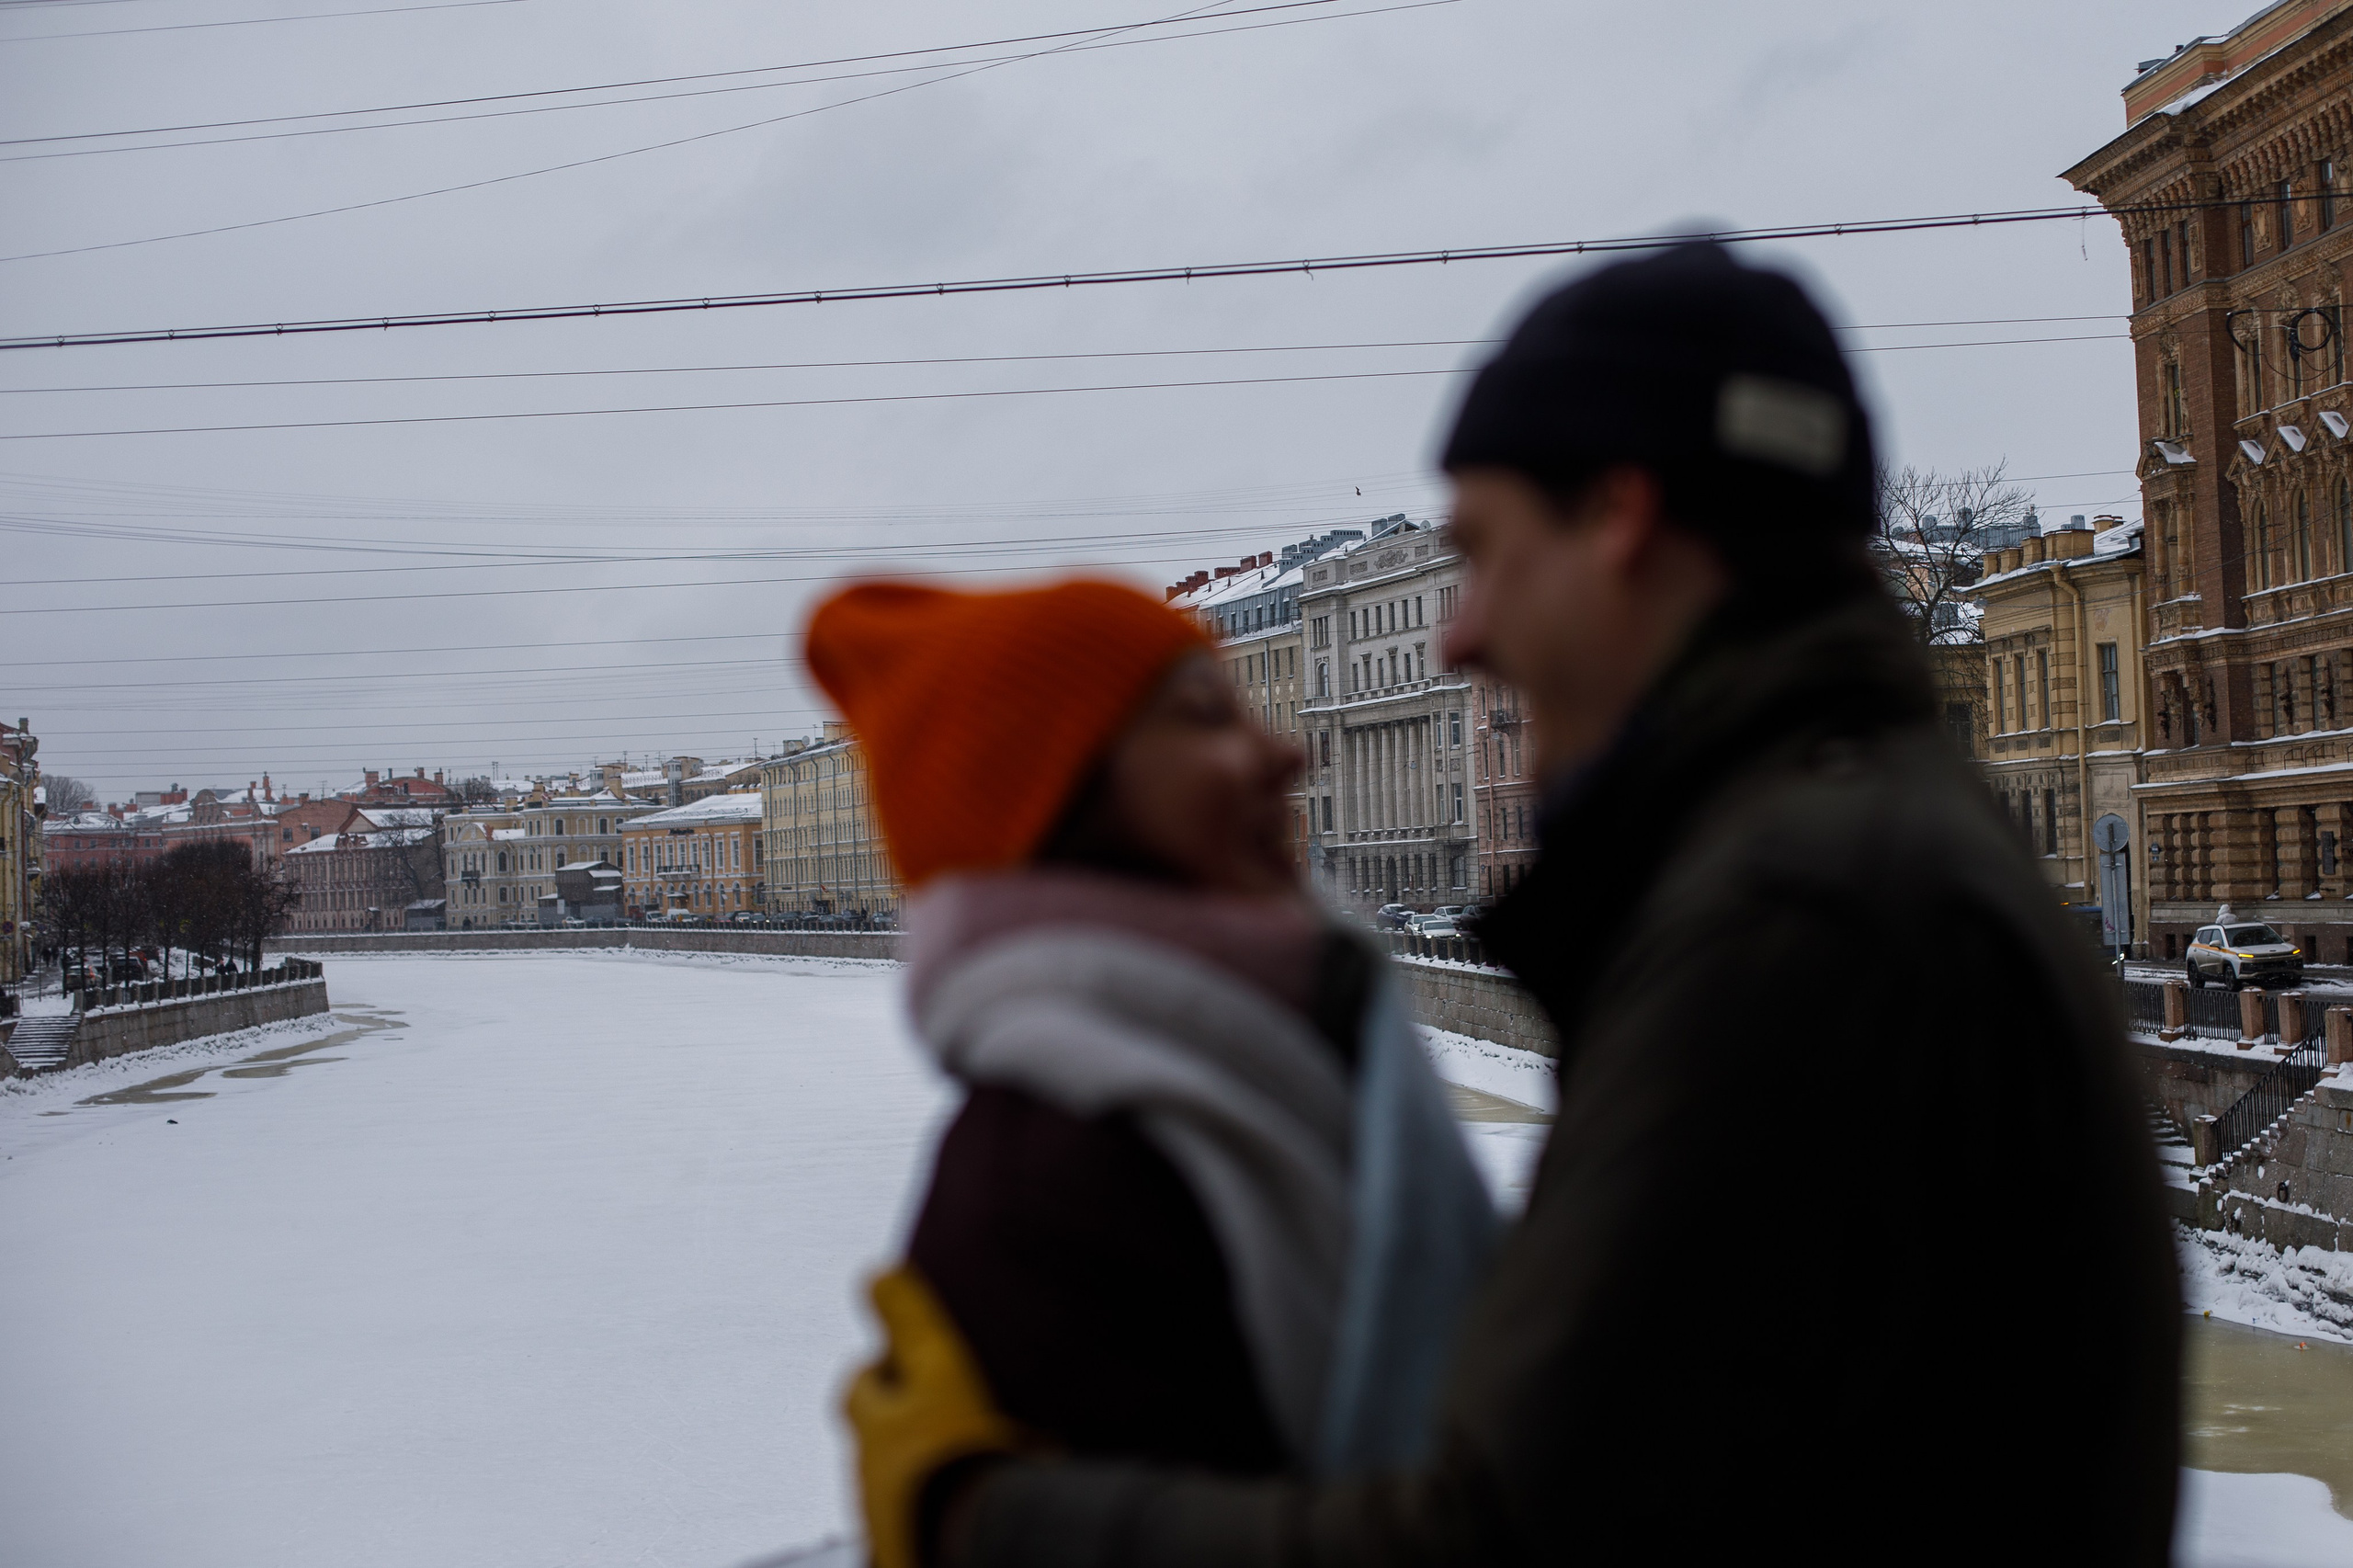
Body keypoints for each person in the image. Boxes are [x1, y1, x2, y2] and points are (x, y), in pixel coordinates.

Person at [845, 244, 2183, 1565]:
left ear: (1619, 520)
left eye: (1483, 552)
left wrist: (983, 1518)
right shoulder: (1870, 853)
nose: (1460, 635)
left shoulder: (1796, 923)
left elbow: (1510, 1540)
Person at [813, 580, 1498, 1568]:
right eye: (1204, 715)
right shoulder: (1041, 1177)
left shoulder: (1296, 1050)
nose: (1288, 753)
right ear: (1063, 797)